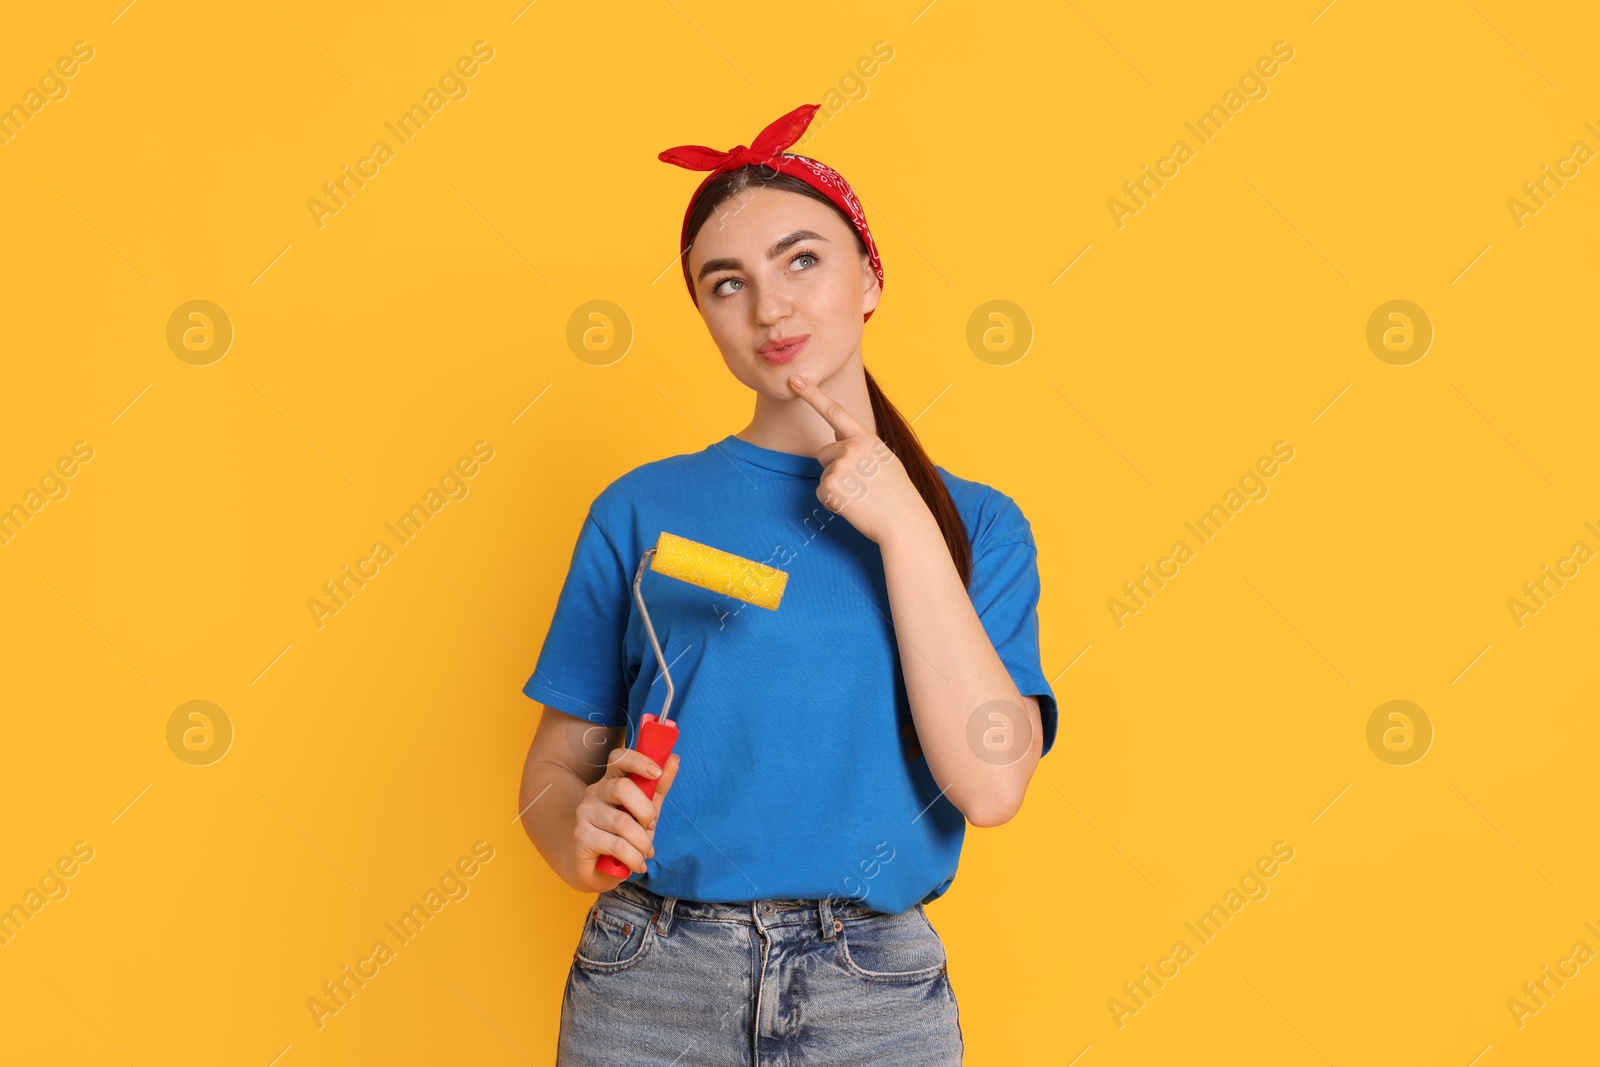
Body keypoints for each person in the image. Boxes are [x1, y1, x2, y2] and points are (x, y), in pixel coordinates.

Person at [517, 102, 1059, 1066]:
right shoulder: (641, 511)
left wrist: (900, 524)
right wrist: (573, 827)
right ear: (705, 316)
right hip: (650, 981)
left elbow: (992, 783)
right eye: (728, 284)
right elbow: (554, 773)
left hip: (873, 994)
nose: (770, 308)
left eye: (802, 259)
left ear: (871, 279)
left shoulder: (976, 525)